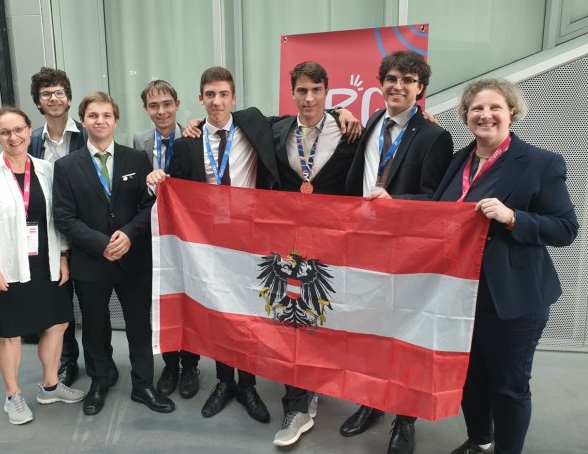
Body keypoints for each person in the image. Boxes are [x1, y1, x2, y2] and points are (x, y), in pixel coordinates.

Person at [433, 79, 578, 454]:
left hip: (513, 299)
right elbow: (434, 208)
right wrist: (390, 200)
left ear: (511, 112)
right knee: (470, 377)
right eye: (477, 108)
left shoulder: (541, 162)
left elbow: (566, 229)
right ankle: (480, 440)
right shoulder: (458, 160)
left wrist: (514, 217)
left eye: (495, 107)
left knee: (508, 385)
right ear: (466, 115)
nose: (486, 115)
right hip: (461, 295)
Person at [147, 66, 278, 423]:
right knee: (218, 312)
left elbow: (298, 119)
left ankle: (247, 385)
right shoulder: (188, 142)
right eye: (210, 95)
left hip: (250, 239)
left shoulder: (254, 124)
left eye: (223, 94)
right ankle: (224, 382)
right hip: (208, 244)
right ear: (200, 99)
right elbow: (172, 188)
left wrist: (339, 113)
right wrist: (155, 180)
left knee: (248, 314)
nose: (217, 101)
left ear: (233, 98)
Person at [343, 50, 454, 454]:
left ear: (420, 88)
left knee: (407, 338)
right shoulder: (374, 121)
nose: (398, 86)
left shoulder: (434, 136)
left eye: (408, 80)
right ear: (381, 83)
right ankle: (371, 402)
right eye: (392, 78)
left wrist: (394, 202)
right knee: (371, 331)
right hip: (363, 246)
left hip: (406, 253)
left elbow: (436, 200)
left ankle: (405, 421)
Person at [52, 92, 175, 416]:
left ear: (116, 120)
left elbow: (149, 205)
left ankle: (143, 384)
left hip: (133, 259)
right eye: (93, 115)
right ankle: (100, 381)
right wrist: (100, 243)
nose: (100, 120)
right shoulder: (66, 166)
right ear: (83, 120)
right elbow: (63, 217)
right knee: (94, 326)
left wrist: (130, 234)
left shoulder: (136, 159)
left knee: (139, 324)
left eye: (107, 115)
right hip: (91, 261)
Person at [0, 106, 85, 425]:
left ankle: (50, 385)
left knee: (57, 324)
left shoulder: (46, 169)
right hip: (6, 265)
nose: (13, 137)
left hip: (46, 262)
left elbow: (58, 217)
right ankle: (13, 395)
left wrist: (63, 255)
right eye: (5, 132)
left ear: (29, 129)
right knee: (10, 333)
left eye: (18, 129)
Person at [270, 61, 359, 447]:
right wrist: (194, 124)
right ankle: (296, 403)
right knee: (293, 318)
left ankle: (319, 383)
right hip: (290, 244)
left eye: (316, 90)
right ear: (292, 92)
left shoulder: (351, 131)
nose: (308, 98)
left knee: (327, 318)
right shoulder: (277, 129)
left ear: (326, 91)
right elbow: (233, 119)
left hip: (336, 242)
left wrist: (343, 112)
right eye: (302, 90)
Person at [28, 66, 118, 388]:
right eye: (46, 94)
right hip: (47, 234)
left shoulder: (89, 133)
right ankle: (67, 361)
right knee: (57, 304)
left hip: (84, 234)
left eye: (59, 92)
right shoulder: (32, 141)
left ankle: (102, 365)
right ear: (38, 102)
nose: (53, 98)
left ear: (68, 98)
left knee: (94, 309)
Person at [133, 80, 200, 399]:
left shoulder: (193, 136)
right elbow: (137, 187)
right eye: (153, 106)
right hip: (154, 232)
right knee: (164, 297)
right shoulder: (139, 141)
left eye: (166, 104)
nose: (161, 111)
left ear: (177, 104)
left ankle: (190, 365)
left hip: (187, 233)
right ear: (146, 109)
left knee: (189, 298)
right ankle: (170, 365)